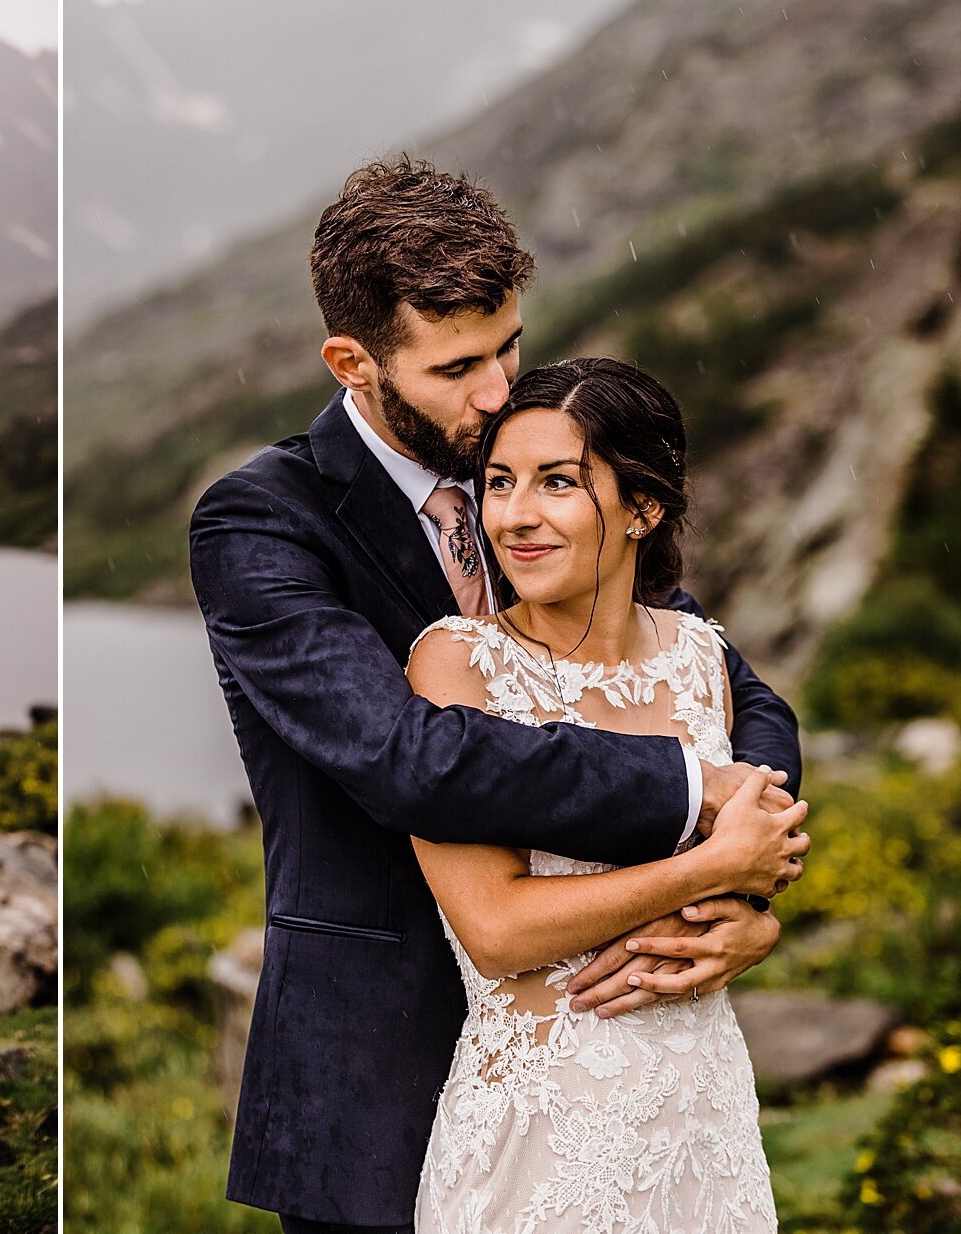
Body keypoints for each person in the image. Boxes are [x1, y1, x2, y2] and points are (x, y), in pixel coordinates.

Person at [187, 157, 804, 1234]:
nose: (495, 390)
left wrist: (747, 889)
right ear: (354, 360)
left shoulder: (531, 466)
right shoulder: (263, 523)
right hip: (376, 1068)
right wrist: (693, 800)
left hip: (633, 1058)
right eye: (458, 365)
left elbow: (731, 686)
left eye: (510, 346)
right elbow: (409, 757)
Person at [408, 357, 802, 1231]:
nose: (515, 515)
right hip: (547, 1136)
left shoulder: (702, 657)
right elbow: (498, 929)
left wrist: (757, 917)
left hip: (705, 1119)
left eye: (558, 482)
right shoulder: (459, 664)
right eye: (501, 482)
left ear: (643, 508)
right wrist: (711, 871)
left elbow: (762, 853)